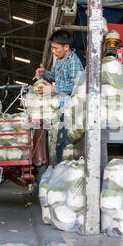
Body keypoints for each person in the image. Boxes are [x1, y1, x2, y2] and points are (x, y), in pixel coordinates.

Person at [33, 30, 85, 163]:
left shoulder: (73, 62)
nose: (53, 51)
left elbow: (76, 86)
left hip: (71, 112)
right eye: (52, 48)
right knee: (60, 145)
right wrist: (44, 73)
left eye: (56, 48)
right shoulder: (60, 61)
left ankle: (66, 172)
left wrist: (53, 88)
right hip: (61, 110)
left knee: (65, 145)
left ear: (66, 47)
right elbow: (55, 77)